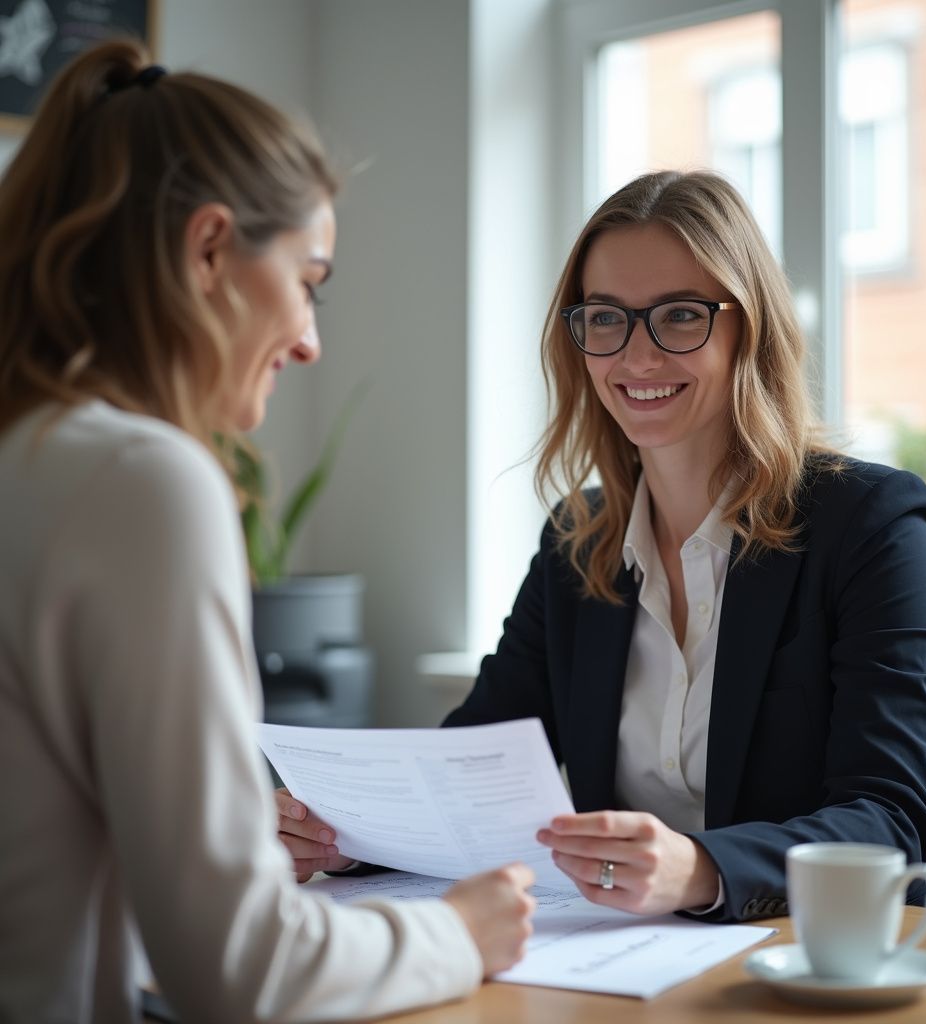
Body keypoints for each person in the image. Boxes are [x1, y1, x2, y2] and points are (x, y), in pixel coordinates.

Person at [277, 169, 926, 922]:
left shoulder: (869, 523)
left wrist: (702, 867)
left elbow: (890, 819)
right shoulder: (577, 544)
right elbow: (466, 773)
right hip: (643, 956)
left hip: (861, 953)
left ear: (750, 328)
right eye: (606, 318)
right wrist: (347, 833)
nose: (637, 357)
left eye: (680, 316)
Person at [0, 39, 534, 1024]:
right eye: (308, 279)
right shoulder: (141, 480)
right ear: (208, 250)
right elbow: (241, 969)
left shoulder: (30, 448)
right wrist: (460, 932)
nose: (308, 338)